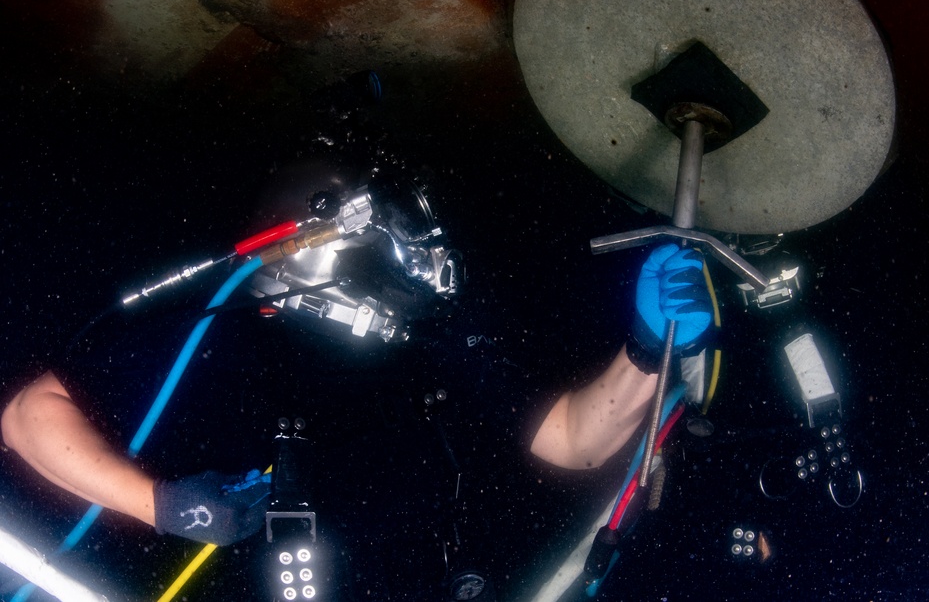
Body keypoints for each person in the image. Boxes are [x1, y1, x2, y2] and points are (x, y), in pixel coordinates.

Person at [0, 155, 711, 600]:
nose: (413, 270)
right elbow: (30, 415)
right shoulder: (231, 337)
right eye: (390, 247)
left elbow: (573, 441)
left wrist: (647, 348)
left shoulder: (436, 351)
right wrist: (160, 504)